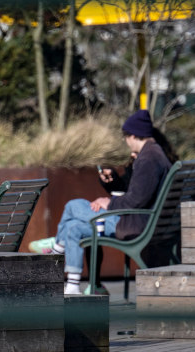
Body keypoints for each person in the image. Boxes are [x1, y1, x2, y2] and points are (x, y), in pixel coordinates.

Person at [29, 110, 173, 295]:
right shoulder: (155, 154)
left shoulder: (148, 159)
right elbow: (138, 194)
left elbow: (136, 199)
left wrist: (110, 203)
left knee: (72, 206)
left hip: (132, 223)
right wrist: (113, 188)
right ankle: (72, 287)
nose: (126, 141)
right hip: (143, 220)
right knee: (73, 228)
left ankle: (57, 249)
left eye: (126, 137)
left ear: (133, 135)